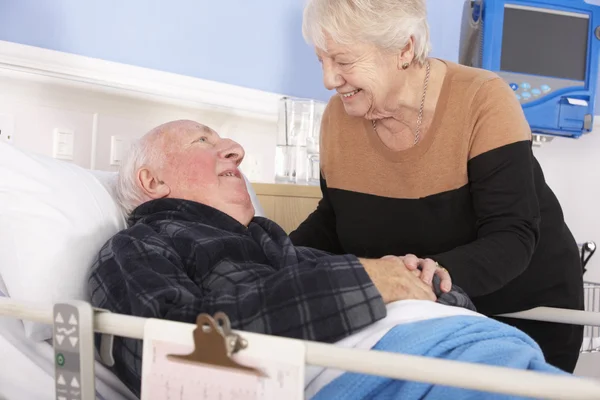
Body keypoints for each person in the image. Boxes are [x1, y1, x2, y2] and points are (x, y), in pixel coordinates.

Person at [290, 0, 584, 373]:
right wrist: (277, 257)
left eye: (343, 62)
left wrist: (421, 278)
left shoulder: (482, 99)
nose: (329, 80)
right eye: (322, 60)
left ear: (405, 49)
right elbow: (334, 220)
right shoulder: (339, 115)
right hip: (422, 318)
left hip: (521, 311)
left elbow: (512, 234)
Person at [87, 119, 475, 397]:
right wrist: (366, 282)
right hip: (390, 374)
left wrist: (427, 281)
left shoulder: (279, 246)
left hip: (467, 345)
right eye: (202, 141)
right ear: (152, 181)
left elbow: (439, 298)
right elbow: (167, 357)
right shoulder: (136, 247)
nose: (236, 150)